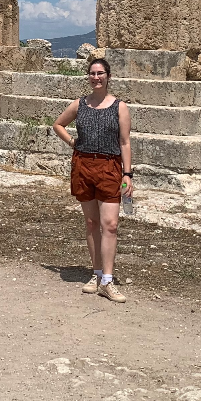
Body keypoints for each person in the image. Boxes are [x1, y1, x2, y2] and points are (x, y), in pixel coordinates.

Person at [52, 57, 132, 303]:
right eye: (92, 73)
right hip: (84, 165)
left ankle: (107, 280)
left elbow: (125, 142)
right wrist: (72, 142)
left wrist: (127, 174)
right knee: (90, 222)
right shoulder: (79, 104)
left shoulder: (120, 107)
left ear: (108, 76)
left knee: (110, 224)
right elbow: (58, 124)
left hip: (109, 166)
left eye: (100, 73)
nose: (96, 77)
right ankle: (96, 274)